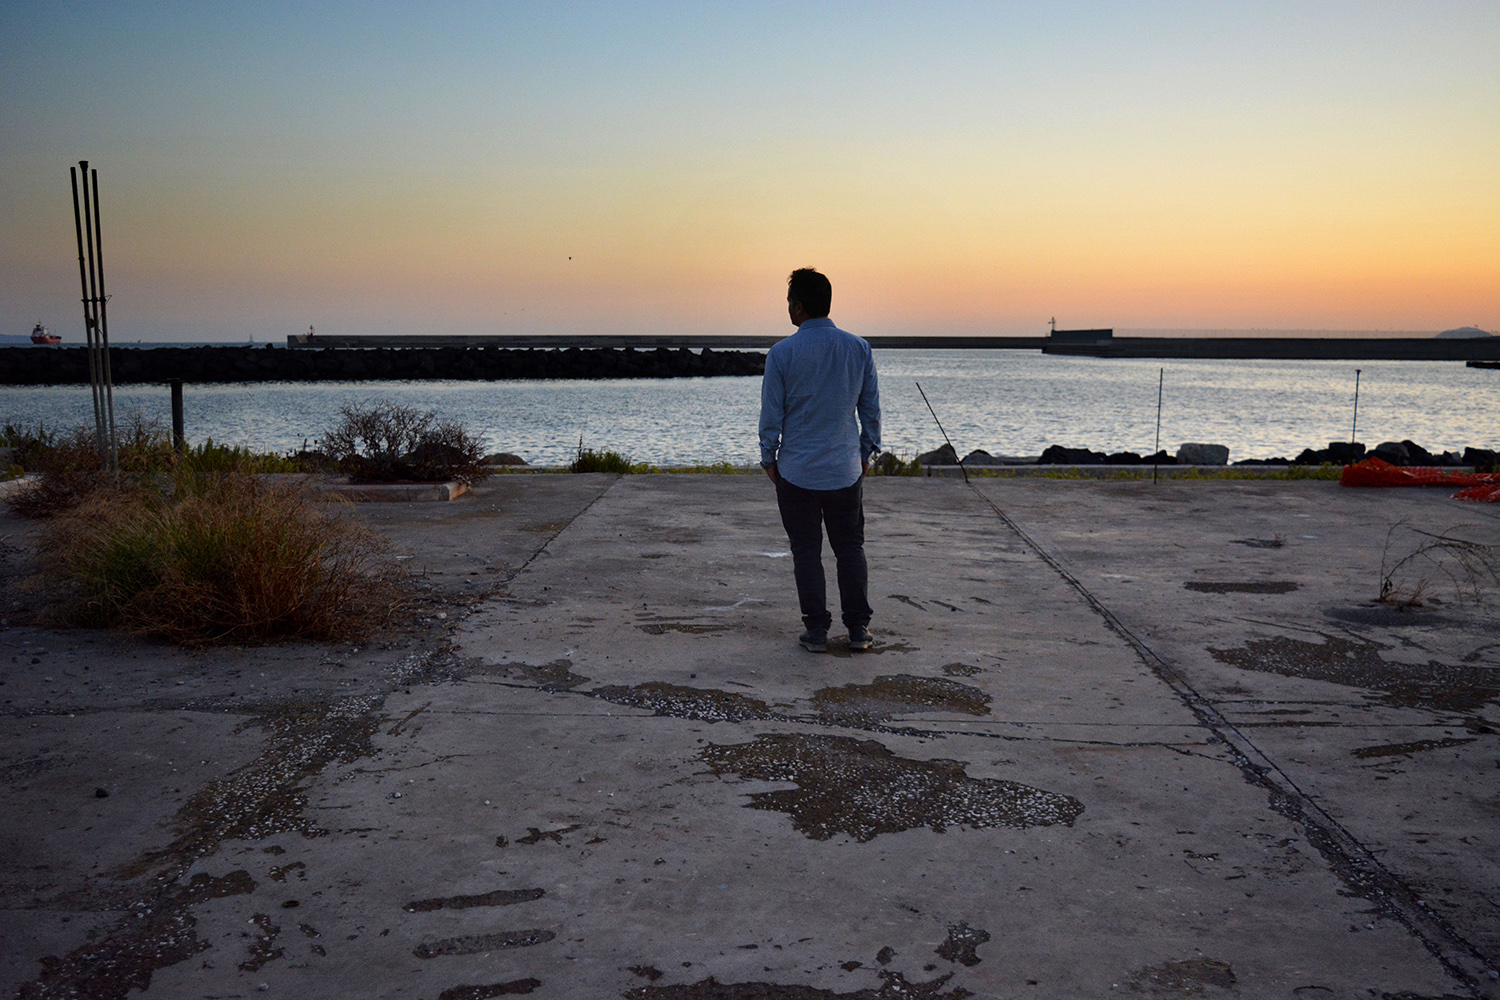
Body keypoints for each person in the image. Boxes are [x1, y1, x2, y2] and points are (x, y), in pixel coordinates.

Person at [759, 268, 881, 652]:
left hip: (796, 472)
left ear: (798, 306)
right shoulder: (858, 348)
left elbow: (771, 415)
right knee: (850, 548)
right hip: (845, 470)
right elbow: (870, 410)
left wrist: (768, 458)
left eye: (789, 303)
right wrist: (866, 453)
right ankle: (858, 629)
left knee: (806, 553)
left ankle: (816, 631)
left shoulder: (781, 354)